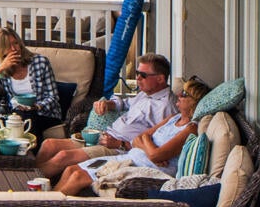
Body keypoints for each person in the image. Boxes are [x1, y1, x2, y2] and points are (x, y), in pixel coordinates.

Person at [55, 75, 204, 197]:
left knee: (77, 176)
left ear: (195, 103)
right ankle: (40, 201)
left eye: (184, 94)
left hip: (144, 168)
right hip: (130, 158)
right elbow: (140, 139)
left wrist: (147, 145)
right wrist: (148, 145)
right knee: (71, 169)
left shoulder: (190, 129)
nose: (178, 95)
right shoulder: (173, 118)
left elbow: (156, 156)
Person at [36, 53, 178, 179]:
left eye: (143, 75)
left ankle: (27, 189)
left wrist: (120, 144)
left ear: (160, 79)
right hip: (103, 137)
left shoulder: (166, 108)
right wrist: (109, 104)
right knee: (50, 144)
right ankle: (32, 178)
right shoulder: (146, 94)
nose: (138, 78)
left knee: (63, 156)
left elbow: (156, 147)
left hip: (116, 148)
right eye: (137, 73)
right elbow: (125, 103)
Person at [0, 31, 62, 132]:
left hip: (45, 114)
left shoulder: (40, 62)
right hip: (16, 116)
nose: (14, 49)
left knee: (26, 118)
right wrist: (0, 69)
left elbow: (53, 97)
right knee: (17, 119)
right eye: (8, 46)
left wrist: (36, 107)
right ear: (1, 49)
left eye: (15, 43)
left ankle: (26, 146)